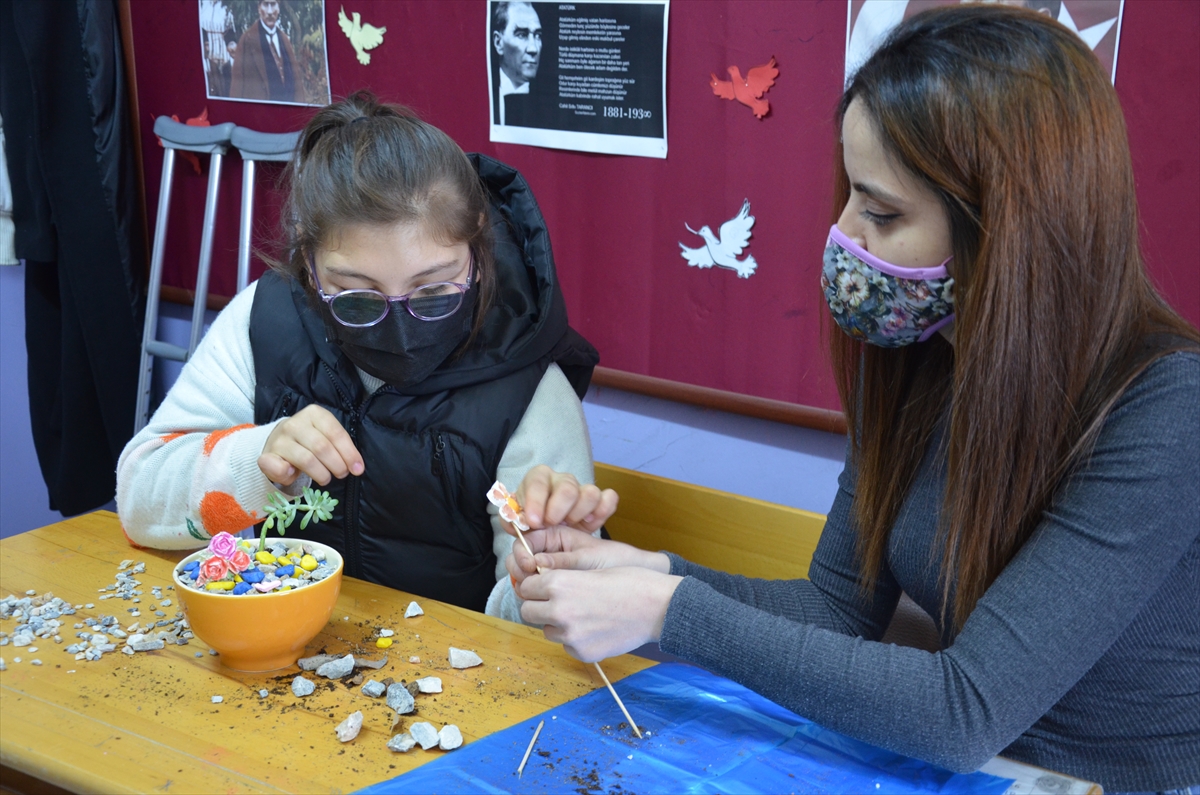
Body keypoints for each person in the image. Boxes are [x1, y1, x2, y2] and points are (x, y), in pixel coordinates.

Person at [503, 6, 1199, 792]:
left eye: (882, 212)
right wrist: (644, 571)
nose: (843, 236)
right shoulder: (917, 356)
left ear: (1010, 228)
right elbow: (836, 607)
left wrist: (668, 610)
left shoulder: (1165, 408)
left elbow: (961, 708)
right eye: (849, 198)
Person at [116, 90, 601, 622]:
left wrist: (540, 583)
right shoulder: (266, 320)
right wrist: (257, 460)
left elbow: (538, 628)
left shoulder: (530, 388)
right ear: (308, 261)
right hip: (287, 649)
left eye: (434, 292)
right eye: (358, 298)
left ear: (478, 254)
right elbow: (139, 499)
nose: (400, 326)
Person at [230, 0, 296, 102]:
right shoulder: (246, 41)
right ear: (259, 8)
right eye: (265, 4)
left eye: (273, 4)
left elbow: (297, 84)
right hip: (259, 114)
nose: (269, 11)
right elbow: (236, 88)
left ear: (278, 8)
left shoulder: (285, 40)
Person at [491, 1, 542, 125]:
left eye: (537, 36)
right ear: (498, 43)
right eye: (521, 35)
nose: (533, 48)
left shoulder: (548, 104)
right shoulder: (480, 95)